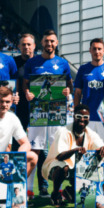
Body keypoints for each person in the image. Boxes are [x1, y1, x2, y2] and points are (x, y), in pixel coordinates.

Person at [22, 30, 72, 198]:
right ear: (41, 43)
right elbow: (26, 84)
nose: (49, 44)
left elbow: (70, 86)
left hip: (57, 113)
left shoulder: (63, 64)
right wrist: (27, 93)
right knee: (34, 150)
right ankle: (29, 189)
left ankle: (56, 188)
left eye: (52, 41)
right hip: (38, 112)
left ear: (56, 43)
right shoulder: (32, 62)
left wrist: (67, 91)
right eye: (46, 41)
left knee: (57, 150)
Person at [42, 104, 104, 207]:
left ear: (89, 118)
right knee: (63, 167)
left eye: (85, 117)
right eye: (79, 116)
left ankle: (70, 192)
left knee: (78, 199)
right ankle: (55, 195)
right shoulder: (63, 131)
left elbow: (101, 146)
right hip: (55, 167)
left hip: (77, 168)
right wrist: (75, 150)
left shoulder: (90, 133)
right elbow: (60, 156)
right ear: (73, 116)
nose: (82, 119)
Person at [72, 37, 104, 144]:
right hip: (86, 118)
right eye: (94, 49)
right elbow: (77, 93)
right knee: (86, 151)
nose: (97, 52)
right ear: (90, 50)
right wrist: (76, 113)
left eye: (99, 49)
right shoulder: (83, 69)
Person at [12, 33, 36, 128]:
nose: (26, 47)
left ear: (34, 46)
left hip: (37, 106)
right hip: (18, 106)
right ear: (19, 46)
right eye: (23, 44)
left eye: (29, 44)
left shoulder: (40, 62)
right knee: (17, 139)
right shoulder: (13, 62)